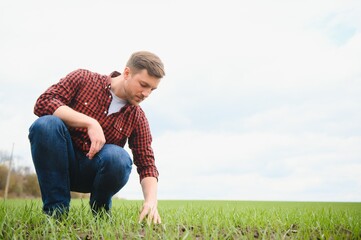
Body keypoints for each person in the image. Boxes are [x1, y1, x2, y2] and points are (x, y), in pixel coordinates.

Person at [28, 51, 165, 224]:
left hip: (94, 174)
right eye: (143, 84)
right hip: (59, 165)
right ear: (127, 73)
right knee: (46, 124)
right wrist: (89, 122)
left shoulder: (137, 116)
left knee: (119, 157)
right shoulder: (84, 79)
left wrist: (151, 201)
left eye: (152, 89)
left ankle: (100, 214)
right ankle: (56, 215)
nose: (146, 94)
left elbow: (147, 164)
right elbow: (44, 102)